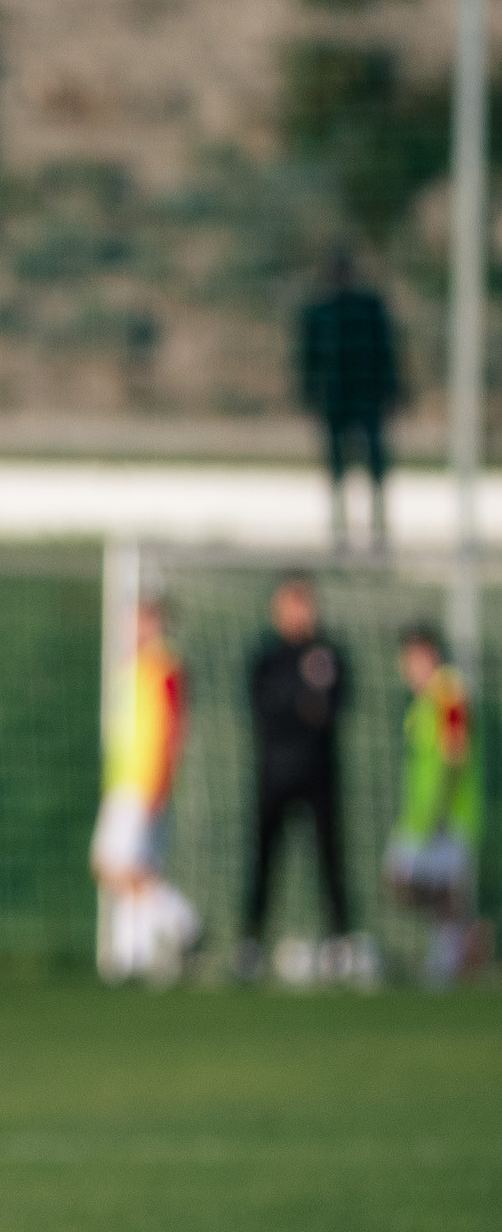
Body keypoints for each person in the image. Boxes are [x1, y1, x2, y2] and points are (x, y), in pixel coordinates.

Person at [239, 573, 366, 986]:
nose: (300, 613)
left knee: (330, 858)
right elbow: (265, 707)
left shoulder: (328, 654)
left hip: (320, 773)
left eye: (305, 604)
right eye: (292, 605)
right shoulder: (267, 657)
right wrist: (302, 700)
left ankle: (340, 942)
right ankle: (251, 942)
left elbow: (336, 706)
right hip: (275, 773)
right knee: (264, 858)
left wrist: (313, 703)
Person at [91, 595, 197, 983]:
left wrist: (161, 782)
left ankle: (182, 921)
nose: (133, 628)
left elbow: (173, 730)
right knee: (132, 870)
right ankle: (132, 955)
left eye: (141, 621)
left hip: (143, 783)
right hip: (122, 780)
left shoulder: (164, 667)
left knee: (115, 864)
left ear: (156, 624)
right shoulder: (132, 667)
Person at [386, 622, 487, 990]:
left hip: (448, 815)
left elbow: (455, 749)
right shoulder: (423, 700)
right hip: (421, 816)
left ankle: (455, 949)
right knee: (410, 885)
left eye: (414, 659)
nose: (408, 667)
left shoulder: (449, 692)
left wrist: (442, 808)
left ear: (429, 656)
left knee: (405, 879)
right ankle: (461, 941)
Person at [296, 250, 402, 555]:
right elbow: (309, 359)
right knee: (337, 466)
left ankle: (379, 530)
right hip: (337, 397)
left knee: (376, 464)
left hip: (366, 396)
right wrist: (310, 396)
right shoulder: (321, 312)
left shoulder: (368, 308)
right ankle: (339, 532)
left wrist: (390, 391)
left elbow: (385, 350)